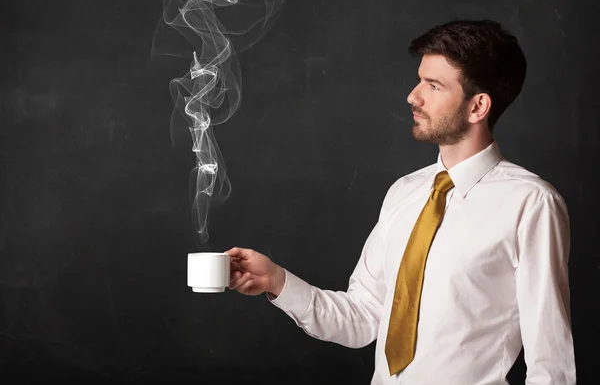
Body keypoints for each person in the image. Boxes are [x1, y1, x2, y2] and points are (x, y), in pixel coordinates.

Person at [226, 19, 576, 384]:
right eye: (420, 79)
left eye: (434, 85)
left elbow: (551, 364)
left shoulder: (531, 203)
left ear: (478, 107)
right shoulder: (405, 192)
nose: (413, 96)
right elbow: (363, 317)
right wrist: (276, 281)